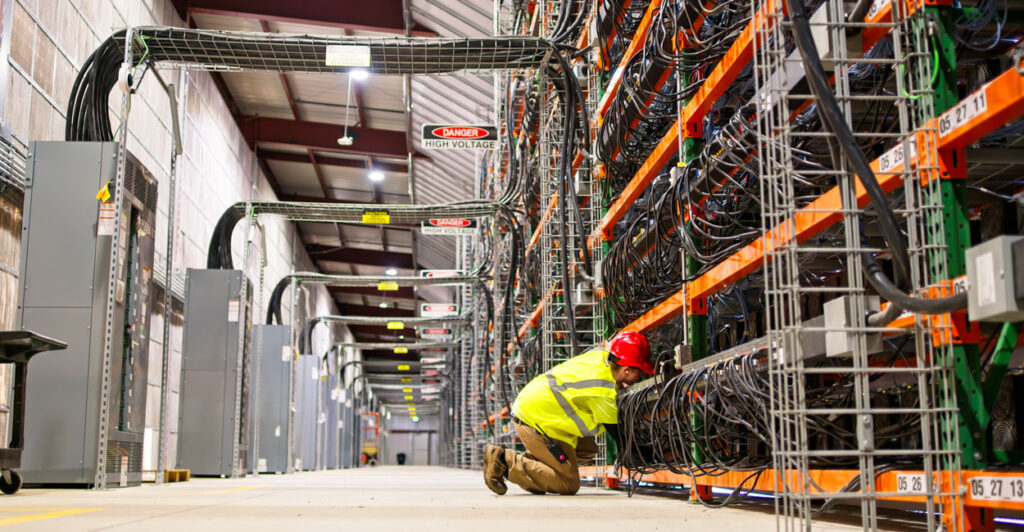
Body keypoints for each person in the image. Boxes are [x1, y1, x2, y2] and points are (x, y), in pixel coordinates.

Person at [482, 331, 653, 495]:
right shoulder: (601, 390)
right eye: (639, 371)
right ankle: (504, 460)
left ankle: (537, 475)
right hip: (533, 420)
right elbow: (623, 440)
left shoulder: (601, 357)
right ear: (626, 371)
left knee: (587, 449)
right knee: (568, 484)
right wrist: (651, 455)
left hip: (540, 411)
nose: (641, 376)